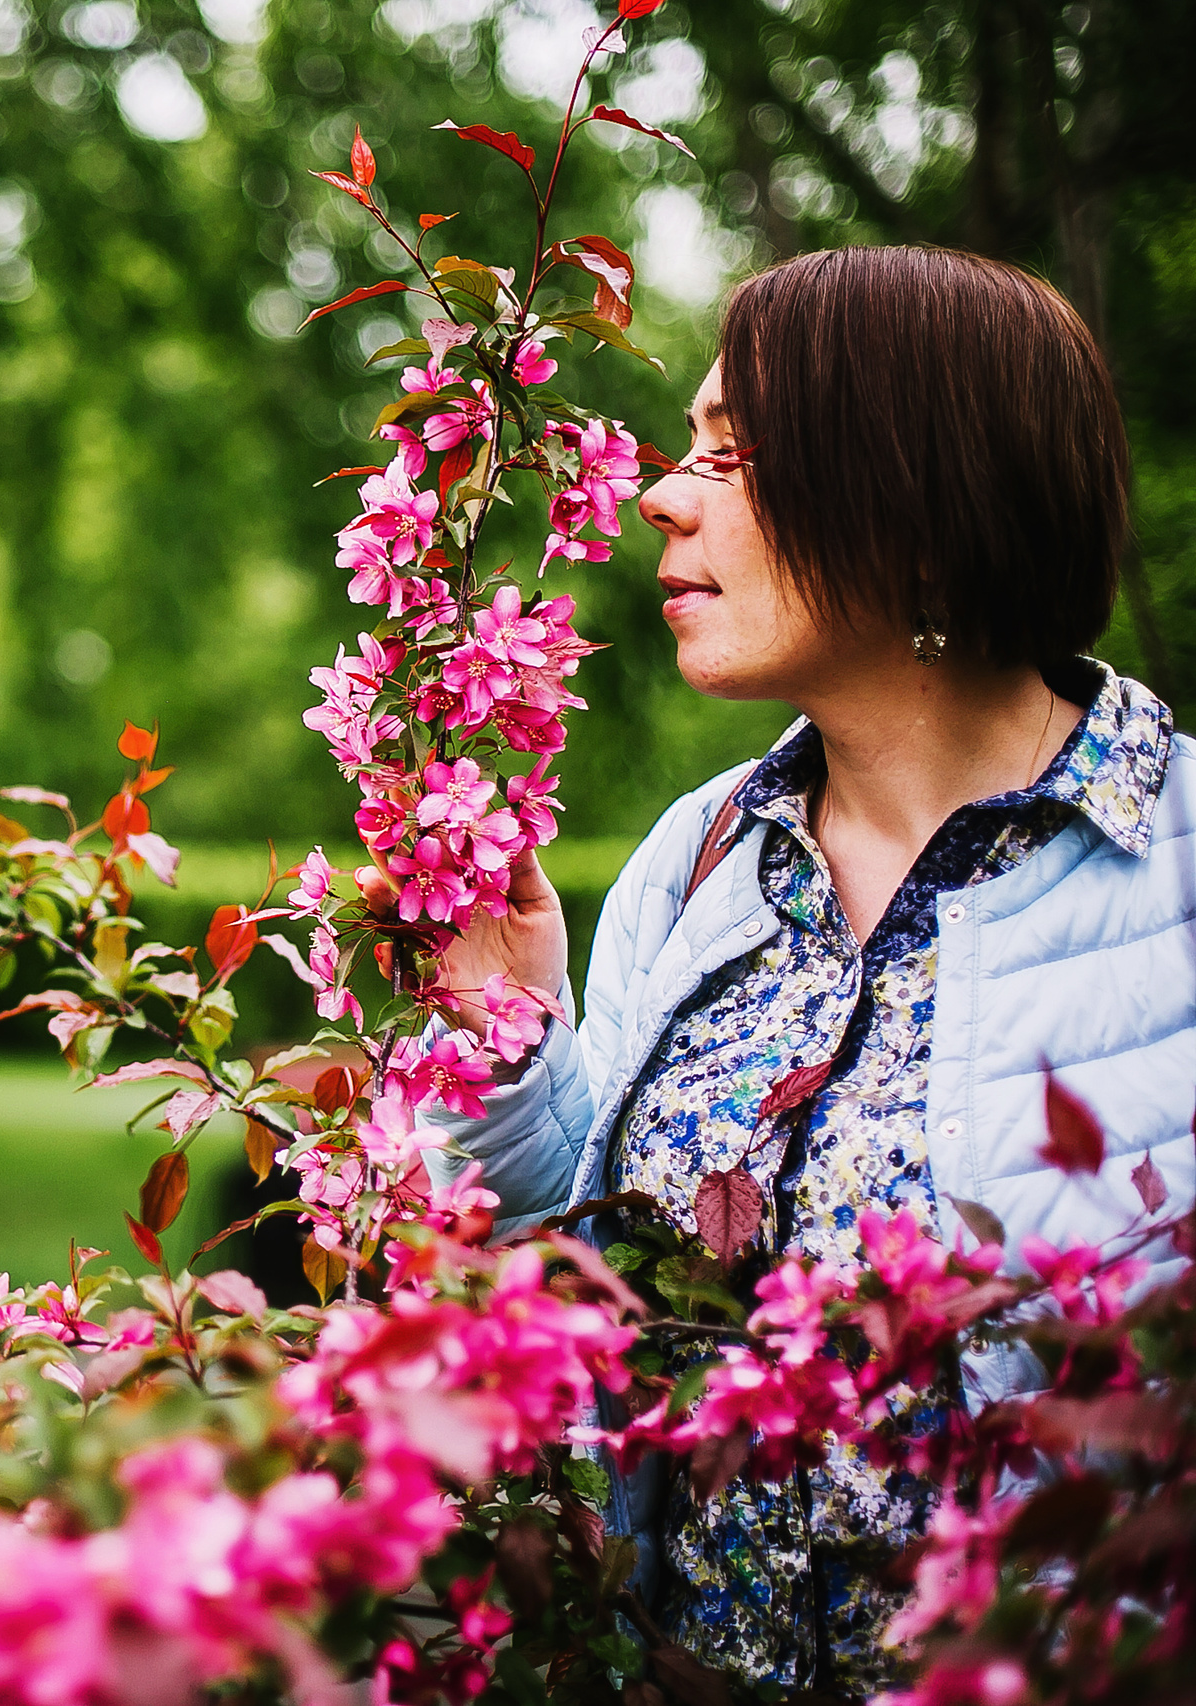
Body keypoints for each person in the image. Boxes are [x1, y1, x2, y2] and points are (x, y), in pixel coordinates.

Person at [422, 245, 1196, 1697]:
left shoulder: (1180, 873)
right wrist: (504, 1041)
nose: (662, 496)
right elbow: (583, 1304)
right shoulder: (700, 855)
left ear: (920, 502)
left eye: (732, 454)